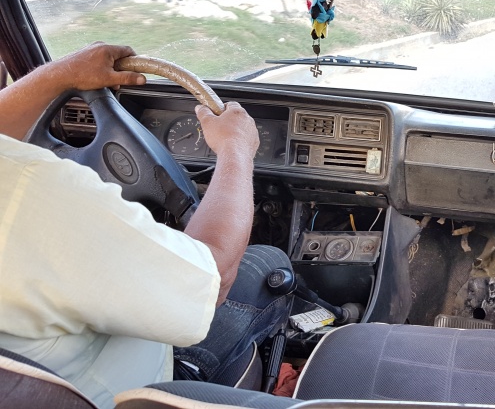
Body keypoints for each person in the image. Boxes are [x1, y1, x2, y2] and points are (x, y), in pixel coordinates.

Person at [0, 42, 292, 408]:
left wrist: (61, 74)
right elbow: (214, 273)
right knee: (269, 262)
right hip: (132, 392)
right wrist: (236, 149)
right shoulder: (32, 189)